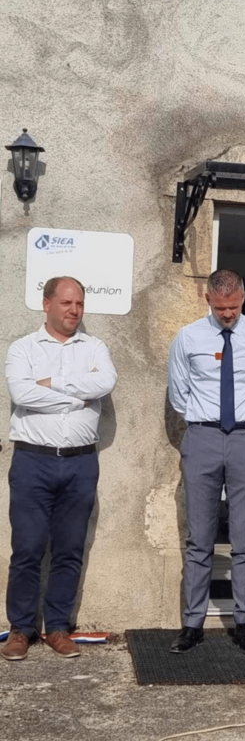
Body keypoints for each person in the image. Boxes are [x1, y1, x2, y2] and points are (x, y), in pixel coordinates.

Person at [168, 269, 245, 656]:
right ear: (208, 300)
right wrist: (207, 423)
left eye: (233, 307)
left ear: (243, 298)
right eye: (220, 308)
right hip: (201, 437)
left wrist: (243, 420)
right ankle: (192, 625)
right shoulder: (188, 338)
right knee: (199, 538)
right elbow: (179, 393)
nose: (227, 315)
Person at [1, 277, 117, 661]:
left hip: (81, 462)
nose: (74, 310)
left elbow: (105, 383)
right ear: (46, 304)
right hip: (33, 460)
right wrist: (75, 400)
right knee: (29, 548)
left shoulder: (95, 347)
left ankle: (58, 628)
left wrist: (55, 385)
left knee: (69, 549)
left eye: (79, 303)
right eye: (66, 302)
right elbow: (23, 394)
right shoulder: (23, 349)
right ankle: (21, 629)